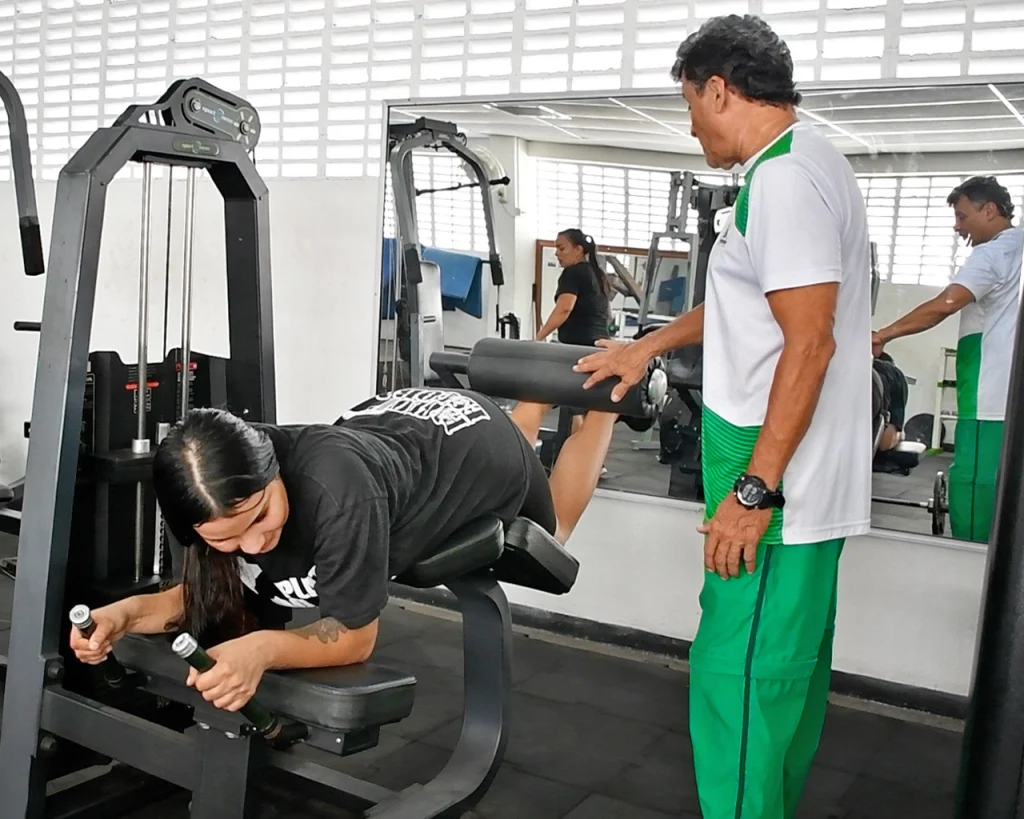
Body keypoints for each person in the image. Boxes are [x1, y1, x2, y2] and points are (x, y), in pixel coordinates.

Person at [575, 14, 872, 819]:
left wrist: (753, 493)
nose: (692, 125)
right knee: (781, 679)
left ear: (720, 89)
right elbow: (747, 300)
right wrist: (648, 346)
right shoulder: (805, 163)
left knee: (738, 680)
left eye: (692, 107)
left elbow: (808, 345)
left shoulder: (783, 180)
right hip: (792, 474)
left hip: (775, 478)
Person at [69, 386, 617, 714]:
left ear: (274, 471)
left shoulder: (338, 492)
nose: (254, 543)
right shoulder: (216, 486)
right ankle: (534, 398)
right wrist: (124, 615)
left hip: (479, 448)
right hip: (411, 428)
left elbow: (354, 638)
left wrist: (260, 650)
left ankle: (607, 407)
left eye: (262, 515)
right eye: (226, 539)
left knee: (557, 528)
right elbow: (208, 591)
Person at [873, 176, 1023, 543]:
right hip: (1011, 392)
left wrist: (882, 335)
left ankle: (972, 559)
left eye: (962, 216)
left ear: (990, 211)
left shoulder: (993, 253)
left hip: (989, 395)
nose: (958, 227)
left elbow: (947, 302)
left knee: (977, 481)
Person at [536, 228, 612, 345]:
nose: (556, 253)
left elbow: (564, 308)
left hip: (580, 344)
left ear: (578, 250)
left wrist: (539, 337)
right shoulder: (597, 274)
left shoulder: (573, 272)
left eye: (561, 248)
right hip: (600, 341)